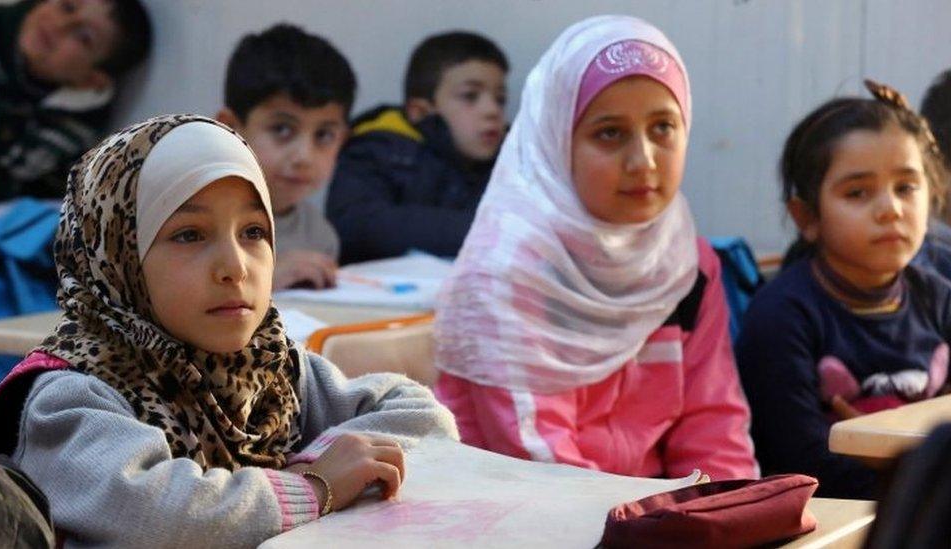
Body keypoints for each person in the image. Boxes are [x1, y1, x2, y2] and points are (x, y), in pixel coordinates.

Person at [0, 114, 457, 548]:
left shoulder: (269, 372)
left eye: (253, 232)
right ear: (116, 259)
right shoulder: (70, 396)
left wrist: (319, 461)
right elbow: (157, 513)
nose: (235, 266)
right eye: (189, 235)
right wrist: (312, 487)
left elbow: (421, 417)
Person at [433, 15, 758, 481]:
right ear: (556, 142)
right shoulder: (509, 274)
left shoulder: (687, 262)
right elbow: (540, 463)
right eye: (609, 133)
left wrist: (731, 514)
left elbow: (714, 425)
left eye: (663, 127)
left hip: (646, 520)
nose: (642, 160)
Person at [736, 80, 951, 499]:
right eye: (858, 192)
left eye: (906, 187)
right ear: (806, 217)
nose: (890, 209)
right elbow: (801, 463)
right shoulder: (782, 317)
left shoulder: (939, 297)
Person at [326, 30, 508, 264]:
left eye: (500, 99)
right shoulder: (379, 148)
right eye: (470, 96)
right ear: (421, 112)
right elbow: (354, 225)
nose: (492, 110)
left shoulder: (511, 157)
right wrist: (483, 230)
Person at [217, 23, 353, 290]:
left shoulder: (319, 235)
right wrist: (260, 279)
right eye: (282, 129)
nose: (304, 156)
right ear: (229, 128)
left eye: (324, 135)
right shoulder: (188, 221)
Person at [0, 0, 152, 202]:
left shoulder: (78, 123)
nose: (60, 25)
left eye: (84, 37)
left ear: (92, 80)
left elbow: (50, 187)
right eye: (67, 7)